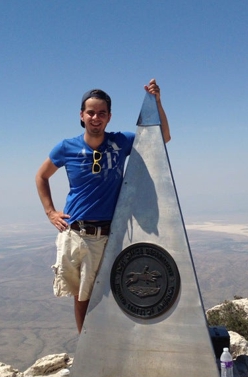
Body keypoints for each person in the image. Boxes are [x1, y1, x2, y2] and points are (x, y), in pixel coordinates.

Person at [35, 79, 171, 333]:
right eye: (91, 112)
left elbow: (162, 137)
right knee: (83, 296)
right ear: (81, 115)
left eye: (101, 113)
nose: (95, 117)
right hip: (78, 234)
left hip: (114, 234)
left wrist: (157, 103)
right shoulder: (67, 147)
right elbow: (41, 176)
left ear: (109, 117)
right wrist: (50, 212)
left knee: (118, 292)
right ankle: (86, 353)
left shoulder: (121, 142)